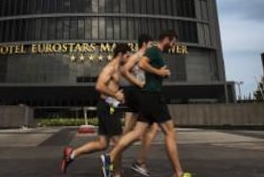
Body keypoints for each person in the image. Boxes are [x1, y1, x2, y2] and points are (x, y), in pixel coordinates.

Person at [101, 31, 191, 177]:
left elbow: (143, 66)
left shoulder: (153, 52)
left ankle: (112, 157)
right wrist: (156, 75)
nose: (174, 45)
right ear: (167, 39)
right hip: (151, 95)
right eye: (174, 42)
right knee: (169, 132)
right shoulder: (153, 50)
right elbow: (137, 66)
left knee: (139, 133)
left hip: (147, 96)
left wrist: (160, 74)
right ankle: (178, 173)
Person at [61, 43, 132, 177]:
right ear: (121, 54)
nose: (129, 59)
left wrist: (118, 95)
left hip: (109, 107)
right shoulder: (110, 68)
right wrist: (115, 95)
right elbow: (99, 86)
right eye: (128, 56)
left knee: (102, 143)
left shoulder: (118, 68)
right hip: (107, 107)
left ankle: (72, 154)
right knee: (119, 142)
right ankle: (116, 173)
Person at [121, 34, 159, 177]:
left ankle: (112, 160)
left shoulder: (143, 56)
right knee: (152, 128)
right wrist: (139, 83)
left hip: (138, 94)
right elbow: (124, 71)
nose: (152, 47)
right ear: (144, 44)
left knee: (130, 133)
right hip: (140, 94)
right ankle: (139, 162)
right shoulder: (139, 55)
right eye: (151, 44)